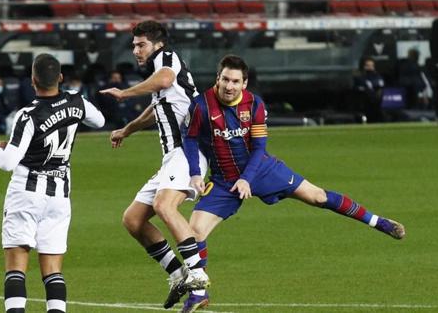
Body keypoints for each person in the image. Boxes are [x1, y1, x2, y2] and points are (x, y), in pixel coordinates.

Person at [180, 55, 406, 313]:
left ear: (244, 83)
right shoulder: (200, 106)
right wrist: (195, 173)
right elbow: (191, 139)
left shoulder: (255, 105)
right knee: (193, 232)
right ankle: (199, 293)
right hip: (223, 181)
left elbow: (259, 148)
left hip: (262, 170)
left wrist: (247, 178)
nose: (229, 86)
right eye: (225, 80)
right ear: (217, 79)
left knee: (318, 197)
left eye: (236, 81)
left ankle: (379, 222)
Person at [99, 20, 209, 309]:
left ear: (157, 44)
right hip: (172, 158)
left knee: (164, 205)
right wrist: (128, 129)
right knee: (133, 219)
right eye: (134, 45)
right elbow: (156, 107)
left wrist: (124, 93)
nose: (135, 50)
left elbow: (163, 80)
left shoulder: (167, 59)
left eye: (140, 44)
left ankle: (198, 277)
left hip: (188, 150)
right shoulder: (161, 72)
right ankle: (178, 274)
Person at [0, 53, 104, 313]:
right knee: (53, 271)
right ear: (61, 78)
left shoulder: (28, 114)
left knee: (16, 267)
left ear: (33, 80)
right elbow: (99, 121)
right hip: (59, 196)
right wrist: (71, 106)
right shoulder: (77, 101)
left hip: (26, 193)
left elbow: (7, 162)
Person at [354, 57, 385, 122]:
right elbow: (360, 89)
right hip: (364, 105)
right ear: (363, 66)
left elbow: (380, 87)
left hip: (377, 105)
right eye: (367, 66)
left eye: (371, 66)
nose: (370, 67)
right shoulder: (359, 78)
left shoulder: (378, 77)